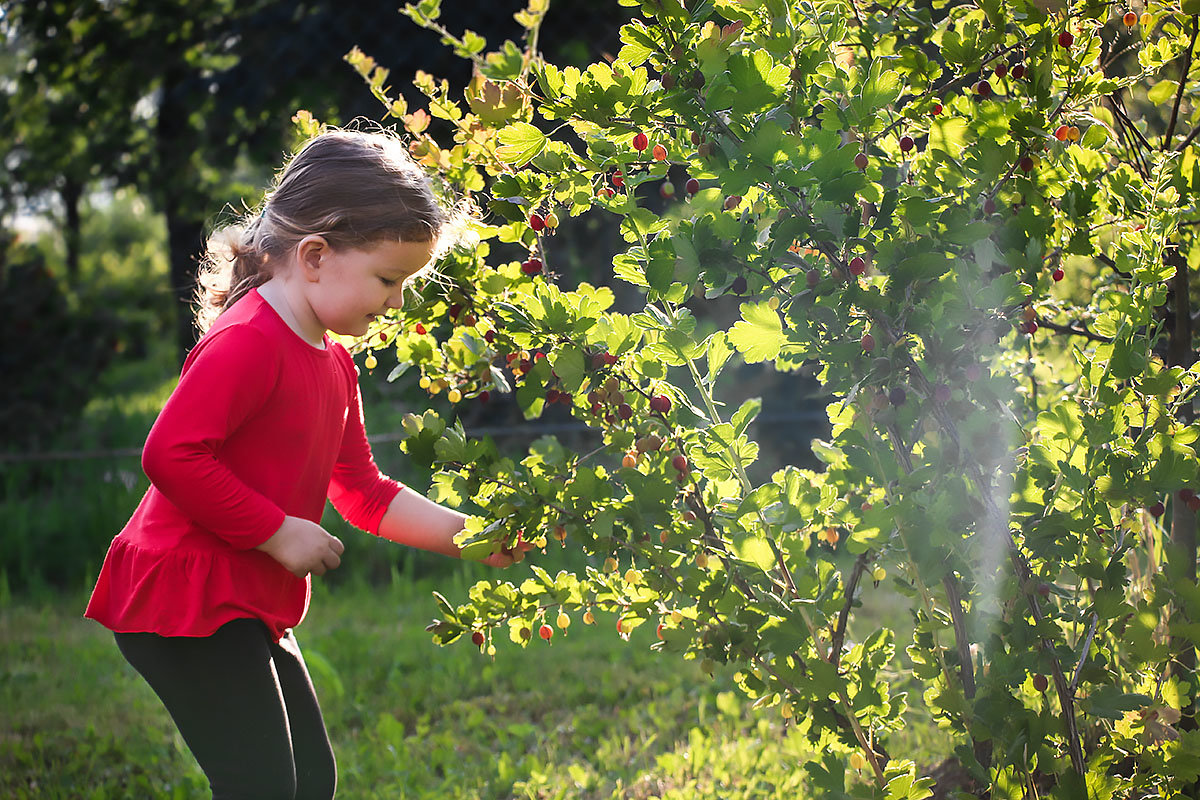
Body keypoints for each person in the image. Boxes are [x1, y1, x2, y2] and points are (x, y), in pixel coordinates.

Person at [84, 127, 521, 800]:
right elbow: (168, 454)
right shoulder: (249, 342)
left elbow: (364, 494)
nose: (396, 302)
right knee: (265, 785)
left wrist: (470, 535)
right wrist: (277, 530)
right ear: (315, 255)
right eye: (387, 279)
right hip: (185, 596)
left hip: (240, 601)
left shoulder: (333, 362)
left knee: (309, 781)